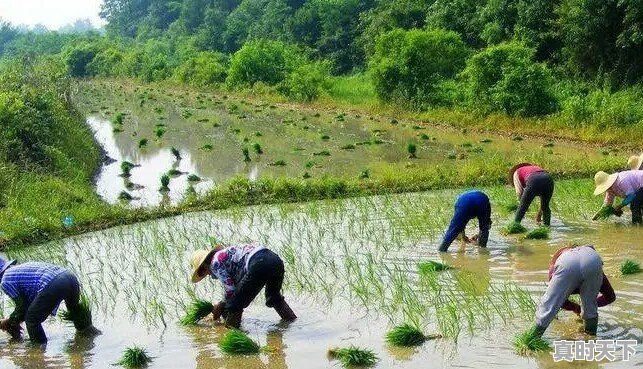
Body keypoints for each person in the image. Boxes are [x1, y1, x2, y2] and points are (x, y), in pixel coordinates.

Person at [190, 243, 297, 328]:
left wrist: (220, 305)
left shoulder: (215, 263)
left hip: (258, 262)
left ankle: (232, 338)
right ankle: (293, 322)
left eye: (202, 270)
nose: (207, 274)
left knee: (234, 305)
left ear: (205, 264)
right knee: (274, 297)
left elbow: (230, 290)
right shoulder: (226, 256)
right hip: (275, 260)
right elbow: (238, 287)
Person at [0, 258, 100, 343]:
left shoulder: (6, 280)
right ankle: (91, 336)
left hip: (54, 283)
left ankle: (37, 353)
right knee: (74, 311)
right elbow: (30, 305)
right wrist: (13, 320)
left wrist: (9, 322)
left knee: (32, 320)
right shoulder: (19, 270)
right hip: (69, 276)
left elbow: (23, 308)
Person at [531, 245, 615, 338]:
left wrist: (576, 308)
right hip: (593, 259)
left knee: (549, 305)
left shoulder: (558, 263)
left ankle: (531, 340)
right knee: (590, 308)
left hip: (567, 262)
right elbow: (610, 296)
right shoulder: (590, 261)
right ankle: (590, 340)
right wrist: (584, 307)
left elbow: (558, 301)